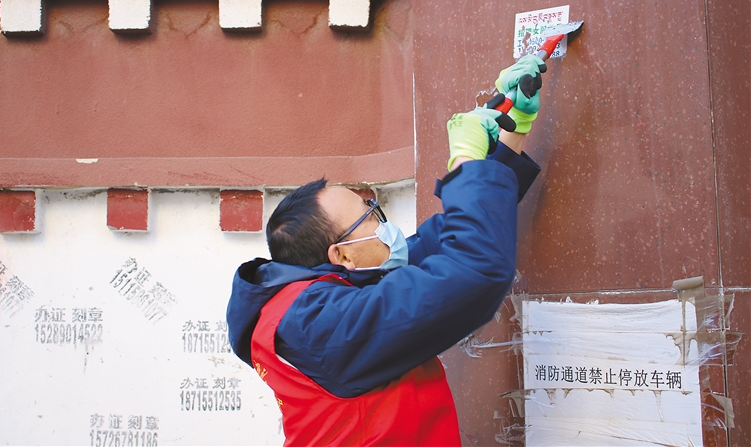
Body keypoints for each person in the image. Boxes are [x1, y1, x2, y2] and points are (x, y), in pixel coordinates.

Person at [226, 54, 548, 446]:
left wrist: (512, 129)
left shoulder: (325, 296)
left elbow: (447, 240)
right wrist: (465, 160)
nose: (385, 223)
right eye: (371, 215)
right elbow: (472, 268)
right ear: (342, 255)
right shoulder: (321, 324)